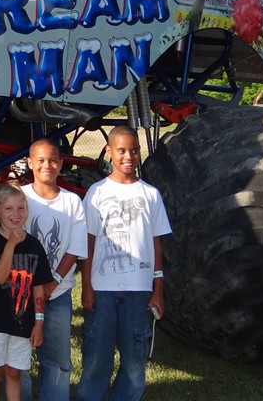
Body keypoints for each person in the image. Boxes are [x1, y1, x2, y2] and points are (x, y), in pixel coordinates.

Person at [74, 126, 172, 401]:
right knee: (97, 355)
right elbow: (88, 243)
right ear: (109, 151)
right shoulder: (96, 193)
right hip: (102, 290)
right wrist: (87, 285)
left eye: (134, 150)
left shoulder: (150, 194)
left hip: (139, 291)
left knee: (134, 359)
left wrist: (158, 288)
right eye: (121, 150)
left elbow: (156, 243)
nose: (128, 156)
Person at [19, 137, 88, 401]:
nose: (46, 165)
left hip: (58, 294)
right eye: (40, 160)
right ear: (29, 163)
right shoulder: (20, 197)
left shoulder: (72, 202)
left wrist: (52, 283)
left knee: (58, 361)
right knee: (18, 359)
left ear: (61, 164)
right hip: (21, 294)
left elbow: (75, 248)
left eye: (52, 160)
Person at [0, 183, 54, 401]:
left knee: (14, 372)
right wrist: (11, 244)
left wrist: (38, 323)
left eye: (21, 208)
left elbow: (38, 286)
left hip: (23, 321)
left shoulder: (34, 246)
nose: (15, 214)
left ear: (27, 211)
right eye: (8, 208)